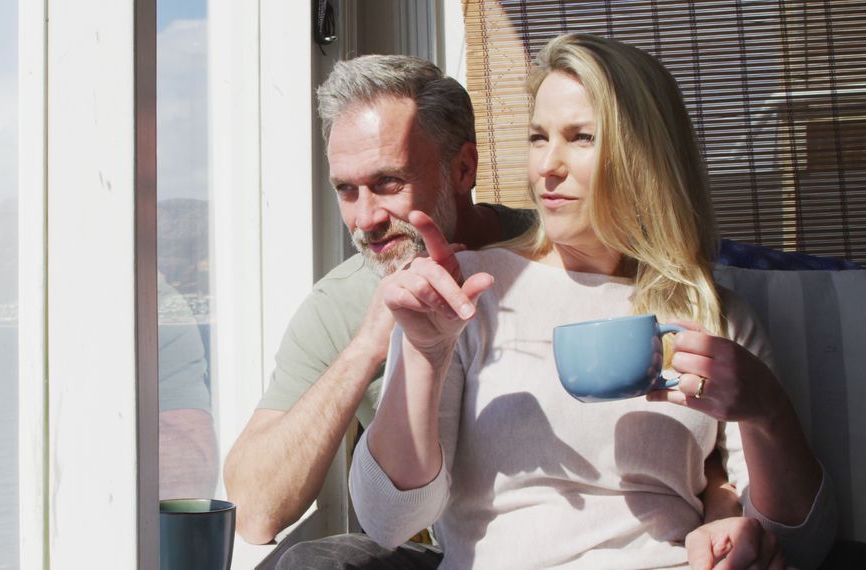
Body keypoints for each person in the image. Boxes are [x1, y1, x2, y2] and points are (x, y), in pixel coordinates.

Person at [340, 34, 837, 568]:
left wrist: (768, 413)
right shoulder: (470, 292)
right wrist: (423, 352)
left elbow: (802, 546)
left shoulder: (713, 315)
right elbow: (388, 520)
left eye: (580, 138)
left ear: (646, 156)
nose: (547, 166)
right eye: (538, 137)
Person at [223, 55, 535, 544]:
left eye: (388, 182)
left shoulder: (557, 251)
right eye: (346, 190)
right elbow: (255, 512)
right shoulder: (341, 302)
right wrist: (369, 343)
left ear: (463, 168)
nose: (365, 218)